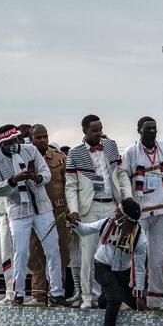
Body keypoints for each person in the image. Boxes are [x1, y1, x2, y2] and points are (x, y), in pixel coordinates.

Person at [0, 125, 67, 306]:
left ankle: (57, 292)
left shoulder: (30, 150)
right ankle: (18, 293)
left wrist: (36, 177)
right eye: (9, 141)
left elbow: (46, 173)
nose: (14, 143)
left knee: (53, 250)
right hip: (18, 209)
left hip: (42, 205)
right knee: (21, 252)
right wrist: (13, 181)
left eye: (15, 139)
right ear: (1, 143)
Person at [65, 115, 132, 309]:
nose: (99, 133)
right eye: (95, 130)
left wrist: (127, 198)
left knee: (114, 253)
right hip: (90, 208)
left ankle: (115, 297)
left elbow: (121, 174)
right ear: (84, 131)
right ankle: (87, 297)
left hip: (112, 206)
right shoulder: (75, 153)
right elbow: (71, 186)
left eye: (100, 129)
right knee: (89, 254)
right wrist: (74, 210)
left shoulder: (111, 146)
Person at [74, 199, 147, 326]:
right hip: (103, 266)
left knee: (136, 304)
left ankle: (103, 300)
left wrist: (139, 295)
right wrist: (74, 223)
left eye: (119, 212)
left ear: (126, 218)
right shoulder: (108, 223)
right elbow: (85, 230)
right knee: (115, 299)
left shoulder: (140, 239)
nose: (115, 213)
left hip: (122, 272)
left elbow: (140, 269)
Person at [122, 116, 163, 309]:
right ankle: (135, 296)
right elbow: (123, 180)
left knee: (159, 256)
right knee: (138, 255)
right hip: (140, 212)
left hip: (162, 209)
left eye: (154, 128)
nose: (152, 131)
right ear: (139, 130)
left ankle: (156, 299)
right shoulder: (131, 152)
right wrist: (128, 205)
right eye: (147, 128)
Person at [25, 124, 70, 306]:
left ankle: (56, 292)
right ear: (31, 139)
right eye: (38, 137)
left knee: (61, 251)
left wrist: (69, 210)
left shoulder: (60, 158)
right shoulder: (24, 158)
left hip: (58, 212)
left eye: (45, 136)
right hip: (34, 212)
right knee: (35, 253)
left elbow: (68, 185)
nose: (43, 140)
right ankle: (39, 294)